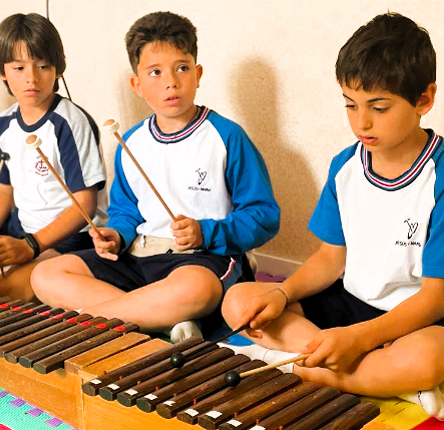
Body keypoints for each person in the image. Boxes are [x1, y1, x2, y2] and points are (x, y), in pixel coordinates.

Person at [221, 12, 444, 422]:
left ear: (424, 99)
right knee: (240, 300)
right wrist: (282, 293)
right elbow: (331, 258)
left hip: (425, 318)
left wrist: (358, 338)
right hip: (353, 301)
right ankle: (372, 378)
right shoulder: (346, 167)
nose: (361, 122)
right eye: (350, 104)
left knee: (426, 360)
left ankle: (306, 367)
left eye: (378, 107)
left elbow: (436, 298)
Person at [31, 11, 280, 342]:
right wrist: (116, 236)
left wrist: (206, 232)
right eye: (155, 72)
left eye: (182, 68)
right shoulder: (129, 142)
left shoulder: (226, 137)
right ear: (137, 84)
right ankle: (159, 320)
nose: (171, 81)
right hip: (139, 258)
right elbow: (125, 212)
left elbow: (264, 216)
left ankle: (102, 321)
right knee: (46, 274)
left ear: (198, 73)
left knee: (197, 288)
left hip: (201, 260)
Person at [0, 13, 107, 302]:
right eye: (18, 67)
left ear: (58, 68)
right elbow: (2, 191)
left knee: (9, 289)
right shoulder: (3, 124)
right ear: (2, 72)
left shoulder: (70, 123)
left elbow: (86, 204)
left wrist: (32, 246)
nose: (31, 78)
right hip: (26, 235)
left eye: (42, 66)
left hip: (73, 240)